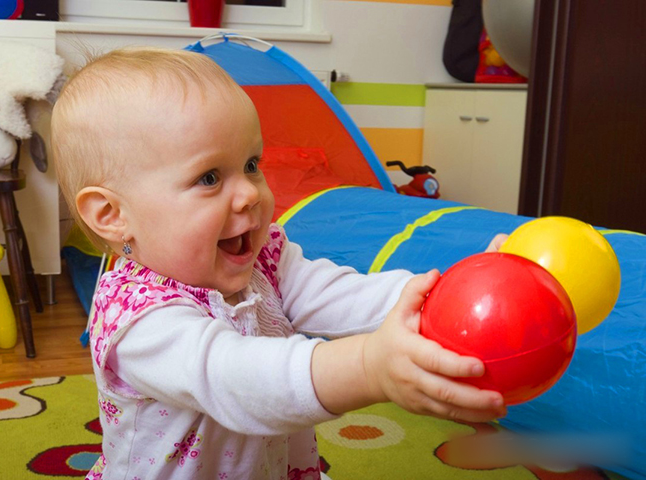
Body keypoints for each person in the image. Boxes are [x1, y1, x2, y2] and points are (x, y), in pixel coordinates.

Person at [51, 47, 507, 480]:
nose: (250, 192)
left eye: (251, 164)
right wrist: (369, 367)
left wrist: (449, 294)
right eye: (209, 177)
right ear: (113, 216)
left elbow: (340, 294)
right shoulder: (139, 320)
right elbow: (238, 379)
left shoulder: (262, 259)